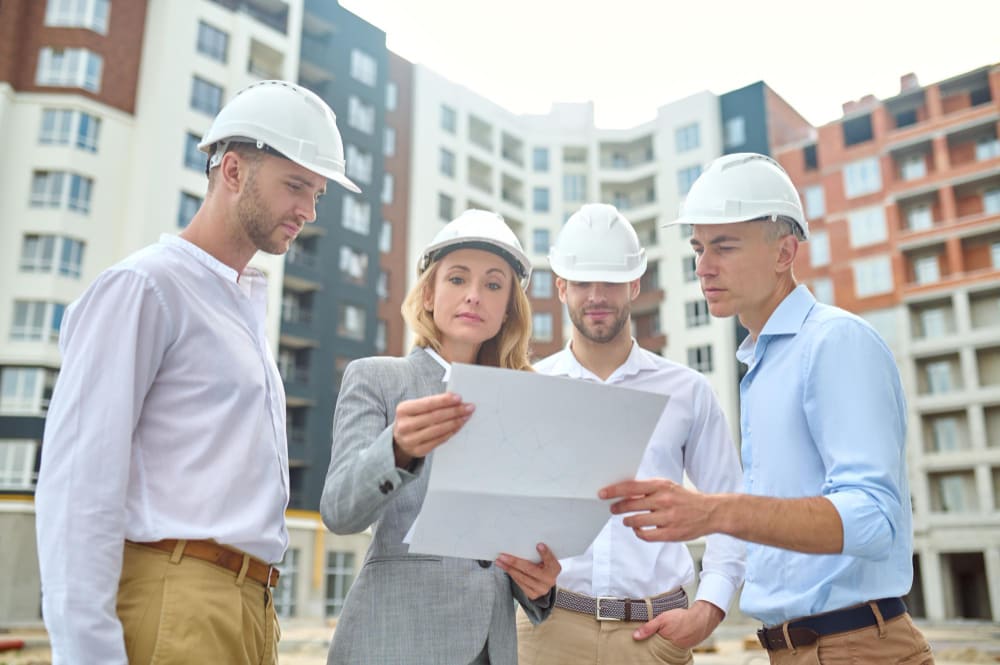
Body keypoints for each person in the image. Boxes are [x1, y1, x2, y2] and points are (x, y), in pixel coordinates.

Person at [35, 80, 360, 665]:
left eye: (317, 194)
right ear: (232, 171)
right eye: (295, 186)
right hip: (175, 598)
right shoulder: (146, 287)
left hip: (249, 610)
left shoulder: (237, 306)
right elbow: (78, 485)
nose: (308, 212)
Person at [601, 153, 934, 664]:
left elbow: (874, 519)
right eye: (698, 248)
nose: (703, 266)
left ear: (785, 252)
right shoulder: (763, 364)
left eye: (724, 246)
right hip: (794, 648)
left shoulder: (834, 342)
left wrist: (713, 512)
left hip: (856, 649)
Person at [320, 209, 561, 665]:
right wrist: (398, 449)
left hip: (493, 648)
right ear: (429, 293)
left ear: (509, 307)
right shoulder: (377, 379)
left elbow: (512, 539)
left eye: (493, 285)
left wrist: (538, 584)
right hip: (395, 642)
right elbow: (338, 511)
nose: (474, 296)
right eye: (456, 279)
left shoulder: (522, 404)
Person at [516, 204, 745, 665]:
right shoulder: (529, 388)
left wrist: (708, 610)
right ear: (561, 287)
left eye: (611, 282)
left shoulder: (687, 392)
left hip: (655, 636)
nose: (596, 296)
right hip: (545, 632)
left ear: (634, 285)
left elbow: (731, 507)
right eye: (582, 282)